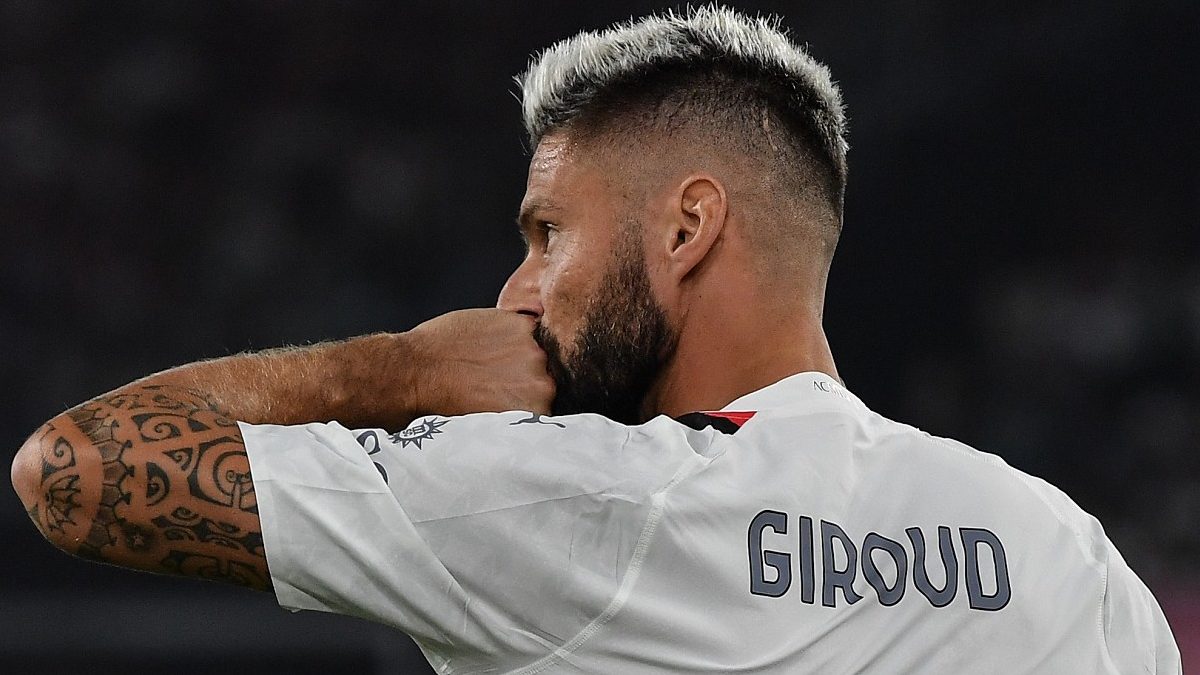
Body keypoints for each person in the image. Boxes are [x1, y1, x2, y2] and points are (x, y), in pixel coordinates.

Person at [9, 5, 1180, 673]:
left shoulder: (570, 502)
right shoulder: (1060, 550)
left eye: (548, 234)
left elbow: (75, 471)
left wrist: (408, 367)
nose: (516, 288)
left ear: (686, 228)